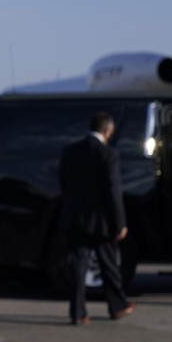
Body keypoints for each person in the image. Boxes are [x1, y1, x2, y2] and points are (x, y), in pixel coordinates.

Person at [58, 112, 136, 325]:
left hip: (75, 218)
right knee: (109, 265)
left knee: (78, 267)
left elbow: (64, 184)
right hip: (102, 222)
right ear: (107, 130)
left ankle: (78, 312)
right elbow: (113, 191)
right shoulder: (109, 155)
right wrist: (120, 222)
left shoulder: (69, 151)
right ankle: (117, 306)